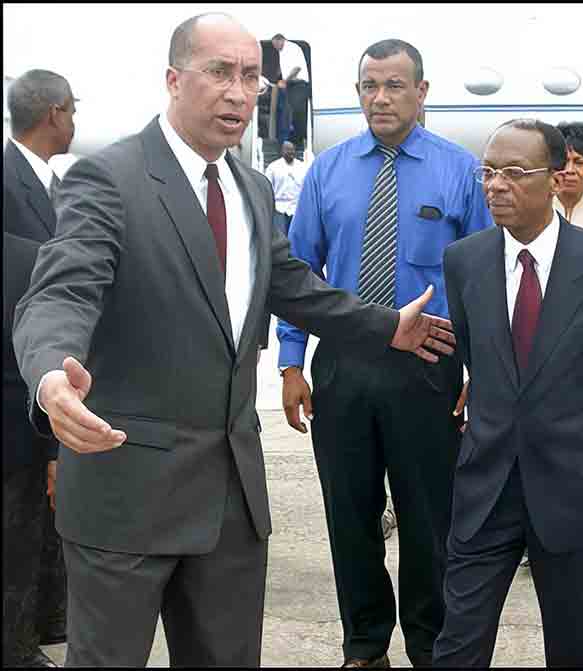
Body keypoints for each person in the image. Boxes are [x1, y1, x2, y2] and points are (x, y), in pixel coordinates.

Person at [11, 13, 455, 667]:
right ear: (173, 79)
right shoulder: (110, 179)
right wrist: (52, 375)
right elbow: (59, 292)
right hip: (127, 495)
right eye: (220, 72)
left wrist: (386, 327)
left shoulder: (247, 185)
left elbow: (296, 287)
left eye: (251, 76)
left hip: (229, 502)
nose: (240, 92)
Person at [276, 38, 492, 668]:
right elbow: (298, 272)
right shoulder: (328, 170)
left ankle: (430, 645)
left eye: (395, 85)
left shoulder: (458, 170)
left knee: (430, 519)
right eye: (370, 85)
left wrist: (481, 369)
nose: (380, 97)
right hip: (344, 365)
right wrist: (292, 362)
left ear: (422, 93)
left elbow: (482, 276)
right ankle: (365, 645)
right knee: (350, 512)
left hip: (430, 366)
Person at [432, 118, 583, 667]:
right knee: (457, 645)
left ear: (556, 178)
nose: (496, 186)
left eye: (514, 173)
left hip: (576, 491)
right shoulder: (465, 261)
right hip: (486, 486)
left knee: (579, 647)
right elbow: (479, 363)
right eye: (488, 173)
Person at [2, 68, 76, 668]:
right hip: (11, 382)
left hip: (39, 376)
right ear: (54, 113)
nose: (74, 122)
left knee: (45, 514)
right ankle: (13, 645)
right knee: (16, 522)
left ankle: (50, 614)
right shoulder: (7, 178)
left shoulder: (43, 182)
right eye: (71, 111)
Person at [271, 33, 310, 151]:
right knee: (288, 114)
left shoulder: (291, 48)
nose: (275, 47)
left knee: (297, 113)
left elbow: (297, 68)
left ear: (279, 40)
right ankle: (287, 141)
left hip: (298, 85)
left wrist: (284, 81)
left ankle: (298, 142)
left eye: (275, 44)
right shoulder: (282, 52)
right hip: (290, 86)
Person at [264, 140, 309, 236]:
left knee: (296, 236)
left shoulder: (302, 167)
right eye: (287, 150)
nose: (290, 152)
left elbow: (306, 187)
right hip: (279, 208)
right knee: (280, 237)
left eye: (292, 150)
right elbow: (267, 187)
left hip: (296, 208)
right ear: (282, 151)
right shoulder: (273, 167)